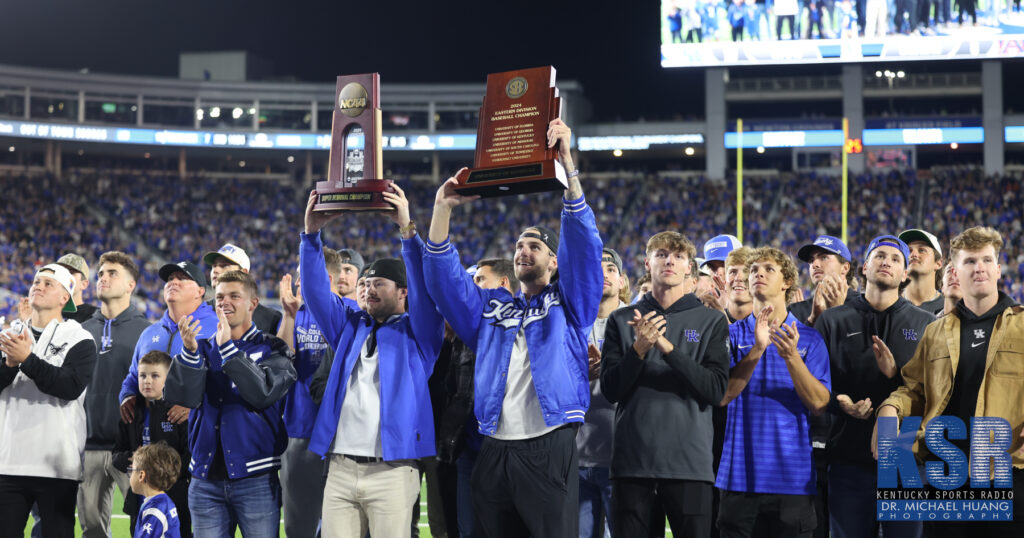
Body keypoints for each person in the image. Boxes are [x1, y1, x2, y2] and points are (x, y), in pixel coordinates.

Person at [422, 118, 603, 537]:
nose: (523, 251)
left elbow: (586, 249)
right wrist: (442, 209)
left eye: (534, 246)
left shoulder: (569, 302)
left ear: (553, 262)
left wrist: (567, 169)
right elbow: (444, 285)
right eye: (519, 245)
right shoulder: (492, 308)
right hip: (494, 443)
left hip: (549, 440)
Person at [301, 183, 444, 537]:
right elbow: (317, 294)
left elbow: (427, 296)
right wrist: (311, 235)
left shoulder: (420, 334)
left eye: (378, 282)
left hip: (393, 470)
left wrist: (407, 232)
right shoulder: (349, 327)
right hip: (340, 467)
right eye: (364, 283)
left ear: (402, 292)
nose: (366, 288)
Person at [874, 226, 1024, 536]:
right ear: (955, 271)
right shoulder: (936, 332)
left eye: (986, 260)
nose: (978, 268)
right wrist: (890, 409)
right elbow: (914, 389)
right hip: (946, 475)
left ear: (998, 269)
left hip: (1009, 473)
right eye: (969, 262)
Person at [601, 232, 730, 537]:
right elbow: (610, 390)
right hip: (632, 465)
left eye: (678, 256)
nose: (669, 261)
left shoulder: (711, 321)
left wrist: (665, 347)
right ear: (647, 263)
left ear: (690, 269)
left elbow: (715, 390)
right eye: (661, 254)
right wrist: (639, 350)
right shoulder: (620, 319)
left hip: (690, 465)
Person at [814, 235, 933, 538]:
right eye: (879, 256)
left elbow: (933, 395)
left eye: (896, 259)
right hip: (847, 458)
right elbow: (813, 386)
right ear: (864, 267)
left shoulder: (926, 324)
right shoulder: (832, 320)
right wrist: (838, 403)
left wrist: (895, 375)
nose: (886, 262)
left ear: (905, 274)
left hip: (906, 460)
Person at [164, 270, 297, 537]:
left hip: (256, 478)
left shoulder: (274, 349)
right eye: (220, 297)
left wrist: (227, 348)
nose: (225, 302)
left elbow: (263, 393)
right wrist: (189, 353)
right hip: (204, 479)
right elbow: (181, 398)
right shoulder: (200, 347)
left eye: (235, 296)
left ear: (253, 303)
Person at [716, 247, 831, 538]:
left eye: (768, 269)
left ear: (787, 282)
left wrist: (792, 356)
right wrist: (757, 348)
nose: (758, 274)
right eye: (753, 270)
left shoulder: (809, 339)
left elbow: (819, 404)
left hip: (792, 481)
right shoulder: (730, 334)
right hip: (739, 479)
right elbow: (722, 395)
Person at [0, 264, 98, 537]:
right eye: (35, 281)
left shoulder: (79, 338)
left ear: (64, 297)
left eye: (48, 283)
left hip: (57, 465)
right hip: (8, 462)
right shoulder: (8, 335)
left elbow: (69, 386)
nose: (38, 286)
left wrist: (27, 361)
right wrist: (9, 365)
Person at [436, 258, 519, 538]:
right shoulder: (461, 334)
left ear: (504, 284)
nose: (475, 288)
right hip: (469, 446)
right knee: (469, 529)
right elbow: (448, 389)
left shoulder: (524, 323)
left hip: (512, 446)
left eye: (480, 280)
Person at [276, 247, 351, 538]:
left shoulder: (350, 312)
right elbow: (281, 363)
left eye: (303, 276)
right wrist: (288, 316)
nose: (297, 283)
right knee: (299, 526)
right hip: (300, 429)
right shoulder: (296, 315)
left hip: (343, 435)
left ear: (324, 278)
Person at [79, 252, 151, 538]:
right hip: (88, 444)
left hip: (131, 447)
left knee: (142, 523)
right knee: (91, 528)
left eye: (112, 273)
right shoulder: (82, 331)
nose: (103, 278)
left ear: (131, 285)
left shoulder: (146, 331)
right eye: (100, 274)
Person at [118, 261, 218, 428]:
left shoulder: (216, 327)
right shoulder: (149, 333)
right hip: (153, 433)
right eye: (170, 279)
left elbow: (224, 382)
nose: (173, 282)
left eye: (183, 278)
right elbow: (133, 376)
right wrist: (127, 395)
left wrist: (195, 404)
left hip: (199, 433)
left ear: (200, 291)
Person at [577, 248, 629, 538]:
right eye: (596, 269)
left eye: (611, 269)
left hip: (619, 460)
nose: (603, 274)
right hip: (577, 455)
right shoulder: (571, 324)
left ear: (622, 281)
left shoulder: (636, 324)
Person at [112, 351, 191, 537]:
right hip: (138, 497)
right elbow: (116, 455)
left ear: (168, 378)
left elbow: (190, 456)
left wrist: (159, 469)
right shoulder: (130, 411)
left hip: (174, 496)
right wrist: (135, 460)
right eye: (142, 375)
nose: (147, 381)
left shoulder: (179, 412)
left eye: (155, 376)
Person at [202, 243, 282, 333]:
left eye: (224, 265)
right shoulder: (200, 311)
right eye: (214, 266)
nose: (215, 270)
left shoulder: (271, 319)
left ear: (243, 273)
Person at [790, 235, 859, 326]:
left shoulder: (864, 307)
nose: (814, 265)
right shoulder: (797, 310)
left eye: (824, 257)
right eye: (811, 260)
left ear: (845, 268)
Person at [128, 443, 183, 538]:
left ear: (141, 475)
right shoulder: (162, 502)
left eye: (132, 469)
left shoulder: (154, 511)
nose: (130, 474)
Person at [898, 229, 945, 316]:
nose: (913, 254)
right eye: (908, 251)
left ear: (938, 263)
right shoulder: (890, 305)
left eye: (922, 250)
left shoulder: (949, 308)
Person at [57, 253, 99, 324]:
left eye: (71, 273)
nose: (64, 276)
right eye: (60, 272)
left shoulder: (96, 317)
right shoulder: (44, 314)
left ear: (84, 284)